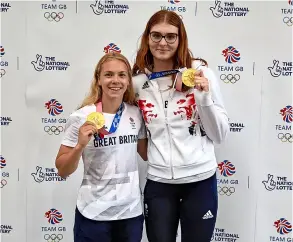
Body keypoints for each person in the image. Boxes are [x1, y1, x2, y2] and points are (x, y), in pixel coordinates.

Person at [132, 10, 229, 242]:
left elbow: (219, 135)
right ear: (147, 38)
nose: (162, 43)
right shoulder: (137, 83)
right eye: (156, 35)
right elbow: (139, 132)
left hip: (200, 182)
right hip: (159, 183)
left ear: (180, 39)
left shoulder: (200, 74)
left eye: (170, 36)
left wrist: (203, 98)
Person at [55, 52, 147, 242]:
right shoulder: (81, 117)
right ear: (98, 80)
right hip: (92, 213)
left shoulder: (137, 114)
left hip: (130, 214)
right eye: (108, 74)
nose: (115, 80)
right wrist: (80, 146)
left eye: (122, 75)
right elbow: (62, 169)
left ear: (129, 81)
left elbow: (147, 154)